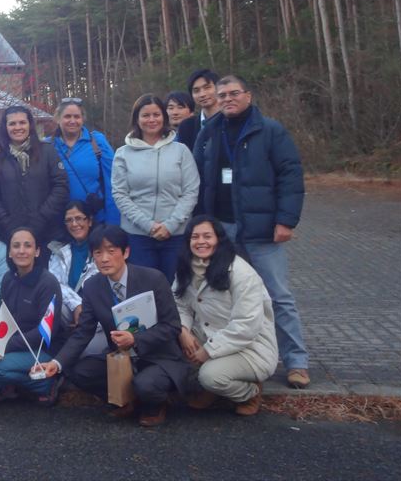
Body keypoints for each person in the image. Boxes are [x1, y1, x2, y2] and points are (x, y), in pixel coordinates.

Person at [193, 75, 309, 389]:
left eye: (234, 93)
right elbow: (197, 178)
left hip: (261, 230)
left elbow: (290, 175)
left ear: (249, 95)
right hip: (222, 230)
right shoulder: (209, 132)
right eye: (222, 95)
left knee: (278, 296)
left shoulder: (270, 130)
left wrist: (286, 220)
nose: (227, 99)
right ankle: (233, 358)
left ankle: (296, 361)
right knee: (222, 296)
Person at [35, 226, 188, 427]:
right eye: (98, 253)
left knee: (146, 385)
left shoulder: (153, 279)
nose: (104, 258)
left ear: (126, 252)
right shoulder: (92, 286)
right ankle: (127, 399)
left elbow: (172, 326)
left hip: (157, 355)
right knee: (80, 371)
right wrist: (57, 363)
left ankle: (156, 404)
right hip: (121, 356)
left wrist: (136, 339)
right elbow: (83, 331)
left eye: (111, 251)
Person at [174, 216, 278, 416]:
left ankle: (250, 392)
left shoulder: (241, 273)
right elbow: (179, 303)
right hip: (207, 335)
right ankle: (212, 390)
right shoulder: (187, 267)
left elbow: (246, 325)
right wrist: (183, 330)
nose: (200, 242)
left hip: (249, 347)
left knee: (211, 377)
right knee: (168, 348)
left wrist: (209, 351)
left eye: (207, 236)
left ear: (219, 240)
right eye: (194, 237)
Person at [111, 94, 199, 284]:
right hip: (138, 236)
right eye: (145, 115)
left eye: (156, 114)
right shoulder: (123, 154)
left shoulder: (181, 151)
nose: (151, 120)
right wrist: (148, 225)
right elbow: (120, 194)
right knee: (144, 290)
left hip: (175, 234)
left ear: (164, 117)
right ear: (136, 119)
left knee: (177, 288)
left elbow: (191, 191)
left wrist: (171, 225)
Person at [0, 226, 63, 406]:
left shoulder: (48, 283)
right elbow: (4, 318)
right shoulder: (9, 279)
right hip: (16, 344)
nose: (22, 251)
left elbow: (46, 332)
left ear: (37, 251)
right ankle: (11, 384)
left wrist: (5, 347)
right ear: (9, 252)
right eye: (16, 246)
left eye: (28, 246)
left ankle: (44, 383)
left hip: (41, 348)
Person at [0, 105, 70, 254]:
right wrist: (6, 221)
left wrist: (41, 217)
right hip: (8, 232)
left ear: (30, 125)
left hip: (45, 231)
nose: (18, 127)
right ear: (5, 127)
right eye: (12, 123)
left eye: (22, 122)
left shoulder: (47, 152)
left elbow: (61, 186)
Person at [47, 97, 120, 226]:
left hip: (94, 218)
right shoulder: (47, 145)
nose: (72, 121)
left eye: (77, 116)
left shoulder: (97, 142)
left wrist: (113, 223)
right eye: (67, 116)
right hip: (58, 222)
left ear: (83, 119)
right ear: (58, 119)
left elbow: (112, 182)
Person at [47, 199, 101, 327]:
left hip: (96, 308)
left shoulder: (101, 247)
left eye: (79, 218)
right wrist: (76, 304)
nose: (74, 224)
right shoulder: (58, 249)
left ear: (90, 221)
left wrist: (83, 307)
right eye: (69, 220)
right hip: (68, 308)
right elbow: (54, 283)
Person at [177, 69, 221, 151]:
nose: (202, 94)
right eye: (196, 91)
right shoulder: (187, 126)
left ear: (219, 88)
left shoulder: (232, 121)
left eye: (207, 87)